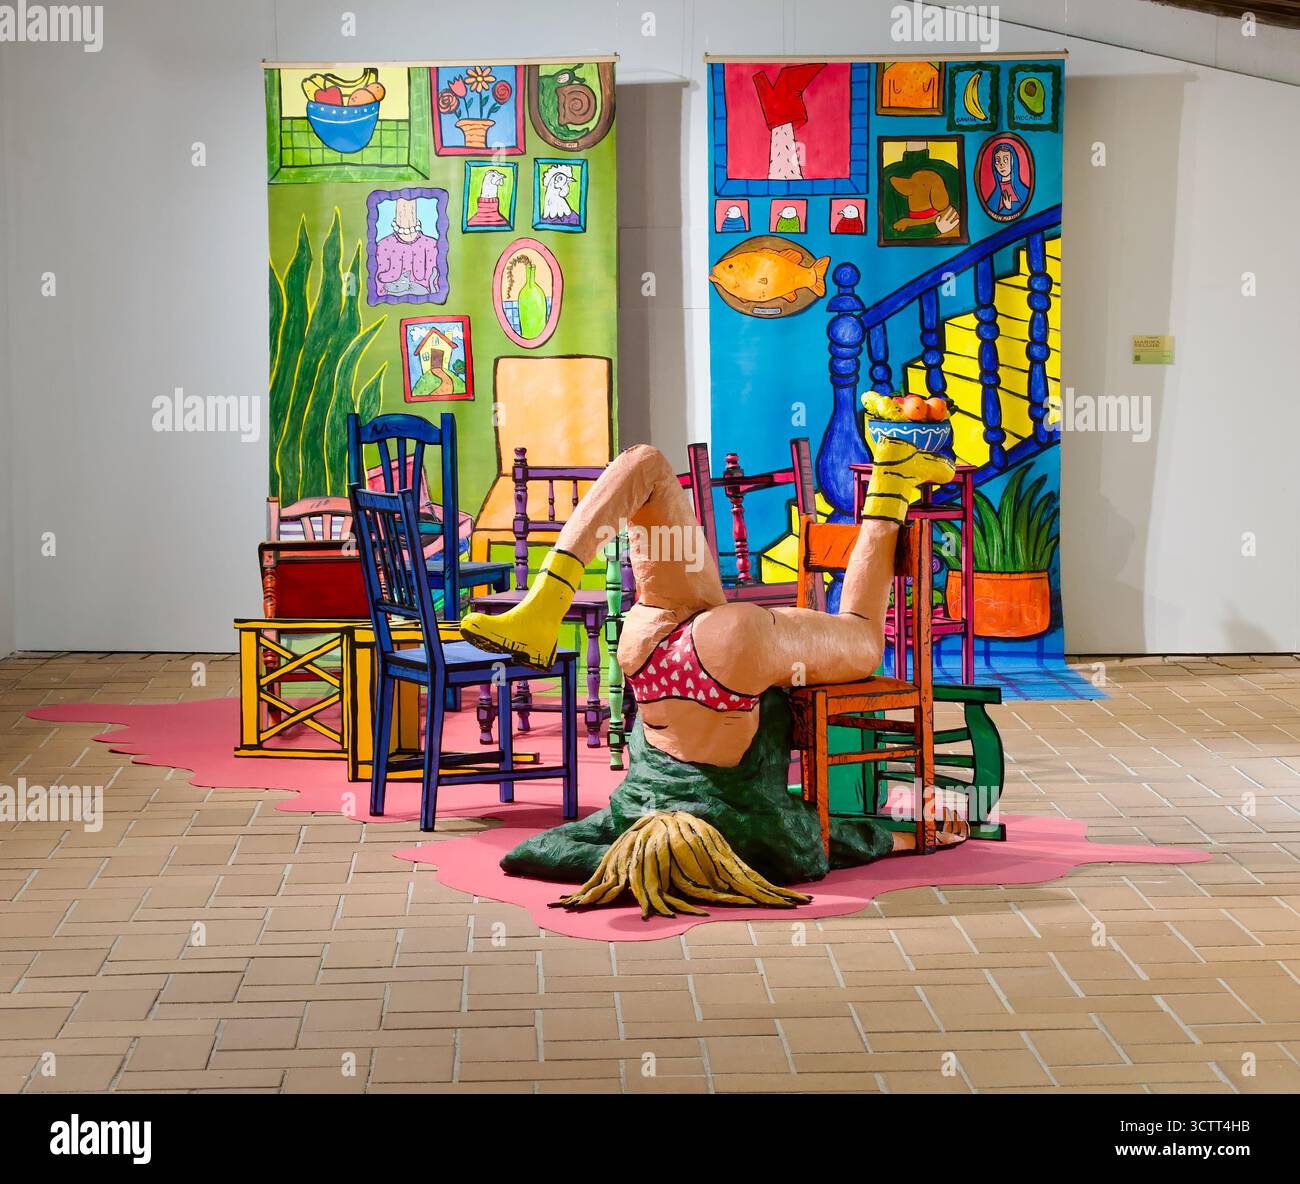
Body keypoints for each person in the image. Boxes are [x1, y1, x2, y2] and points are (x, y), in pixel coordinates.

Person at [460, 440, 967, 916]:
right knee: (647, 465)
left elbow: (832, 842)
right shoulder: (625, 817)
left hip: (728, 657)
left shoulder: (763, 844)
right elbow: (532, 852)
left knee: (861, 637)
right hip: (649, 655)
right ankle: (546, 600)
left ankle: (891, 483)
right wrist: (628, 858)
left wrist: (907, 835)